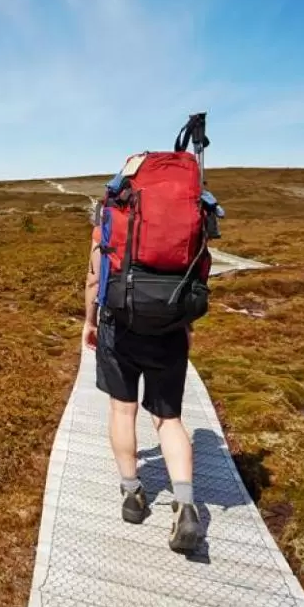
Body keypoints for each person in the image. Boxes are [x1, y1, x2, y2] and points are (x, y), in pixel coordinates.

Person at [83, 212, 203, 553]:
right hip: (169, 331)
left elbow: (94, 282)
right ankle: (186, 505)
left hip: (118, 326)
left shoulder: (112, 218)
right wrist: (186, 326)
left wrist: (89, 322)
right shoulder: (183, 220)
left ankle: (133, 495)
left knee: (123, 411)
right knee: (169, 420)